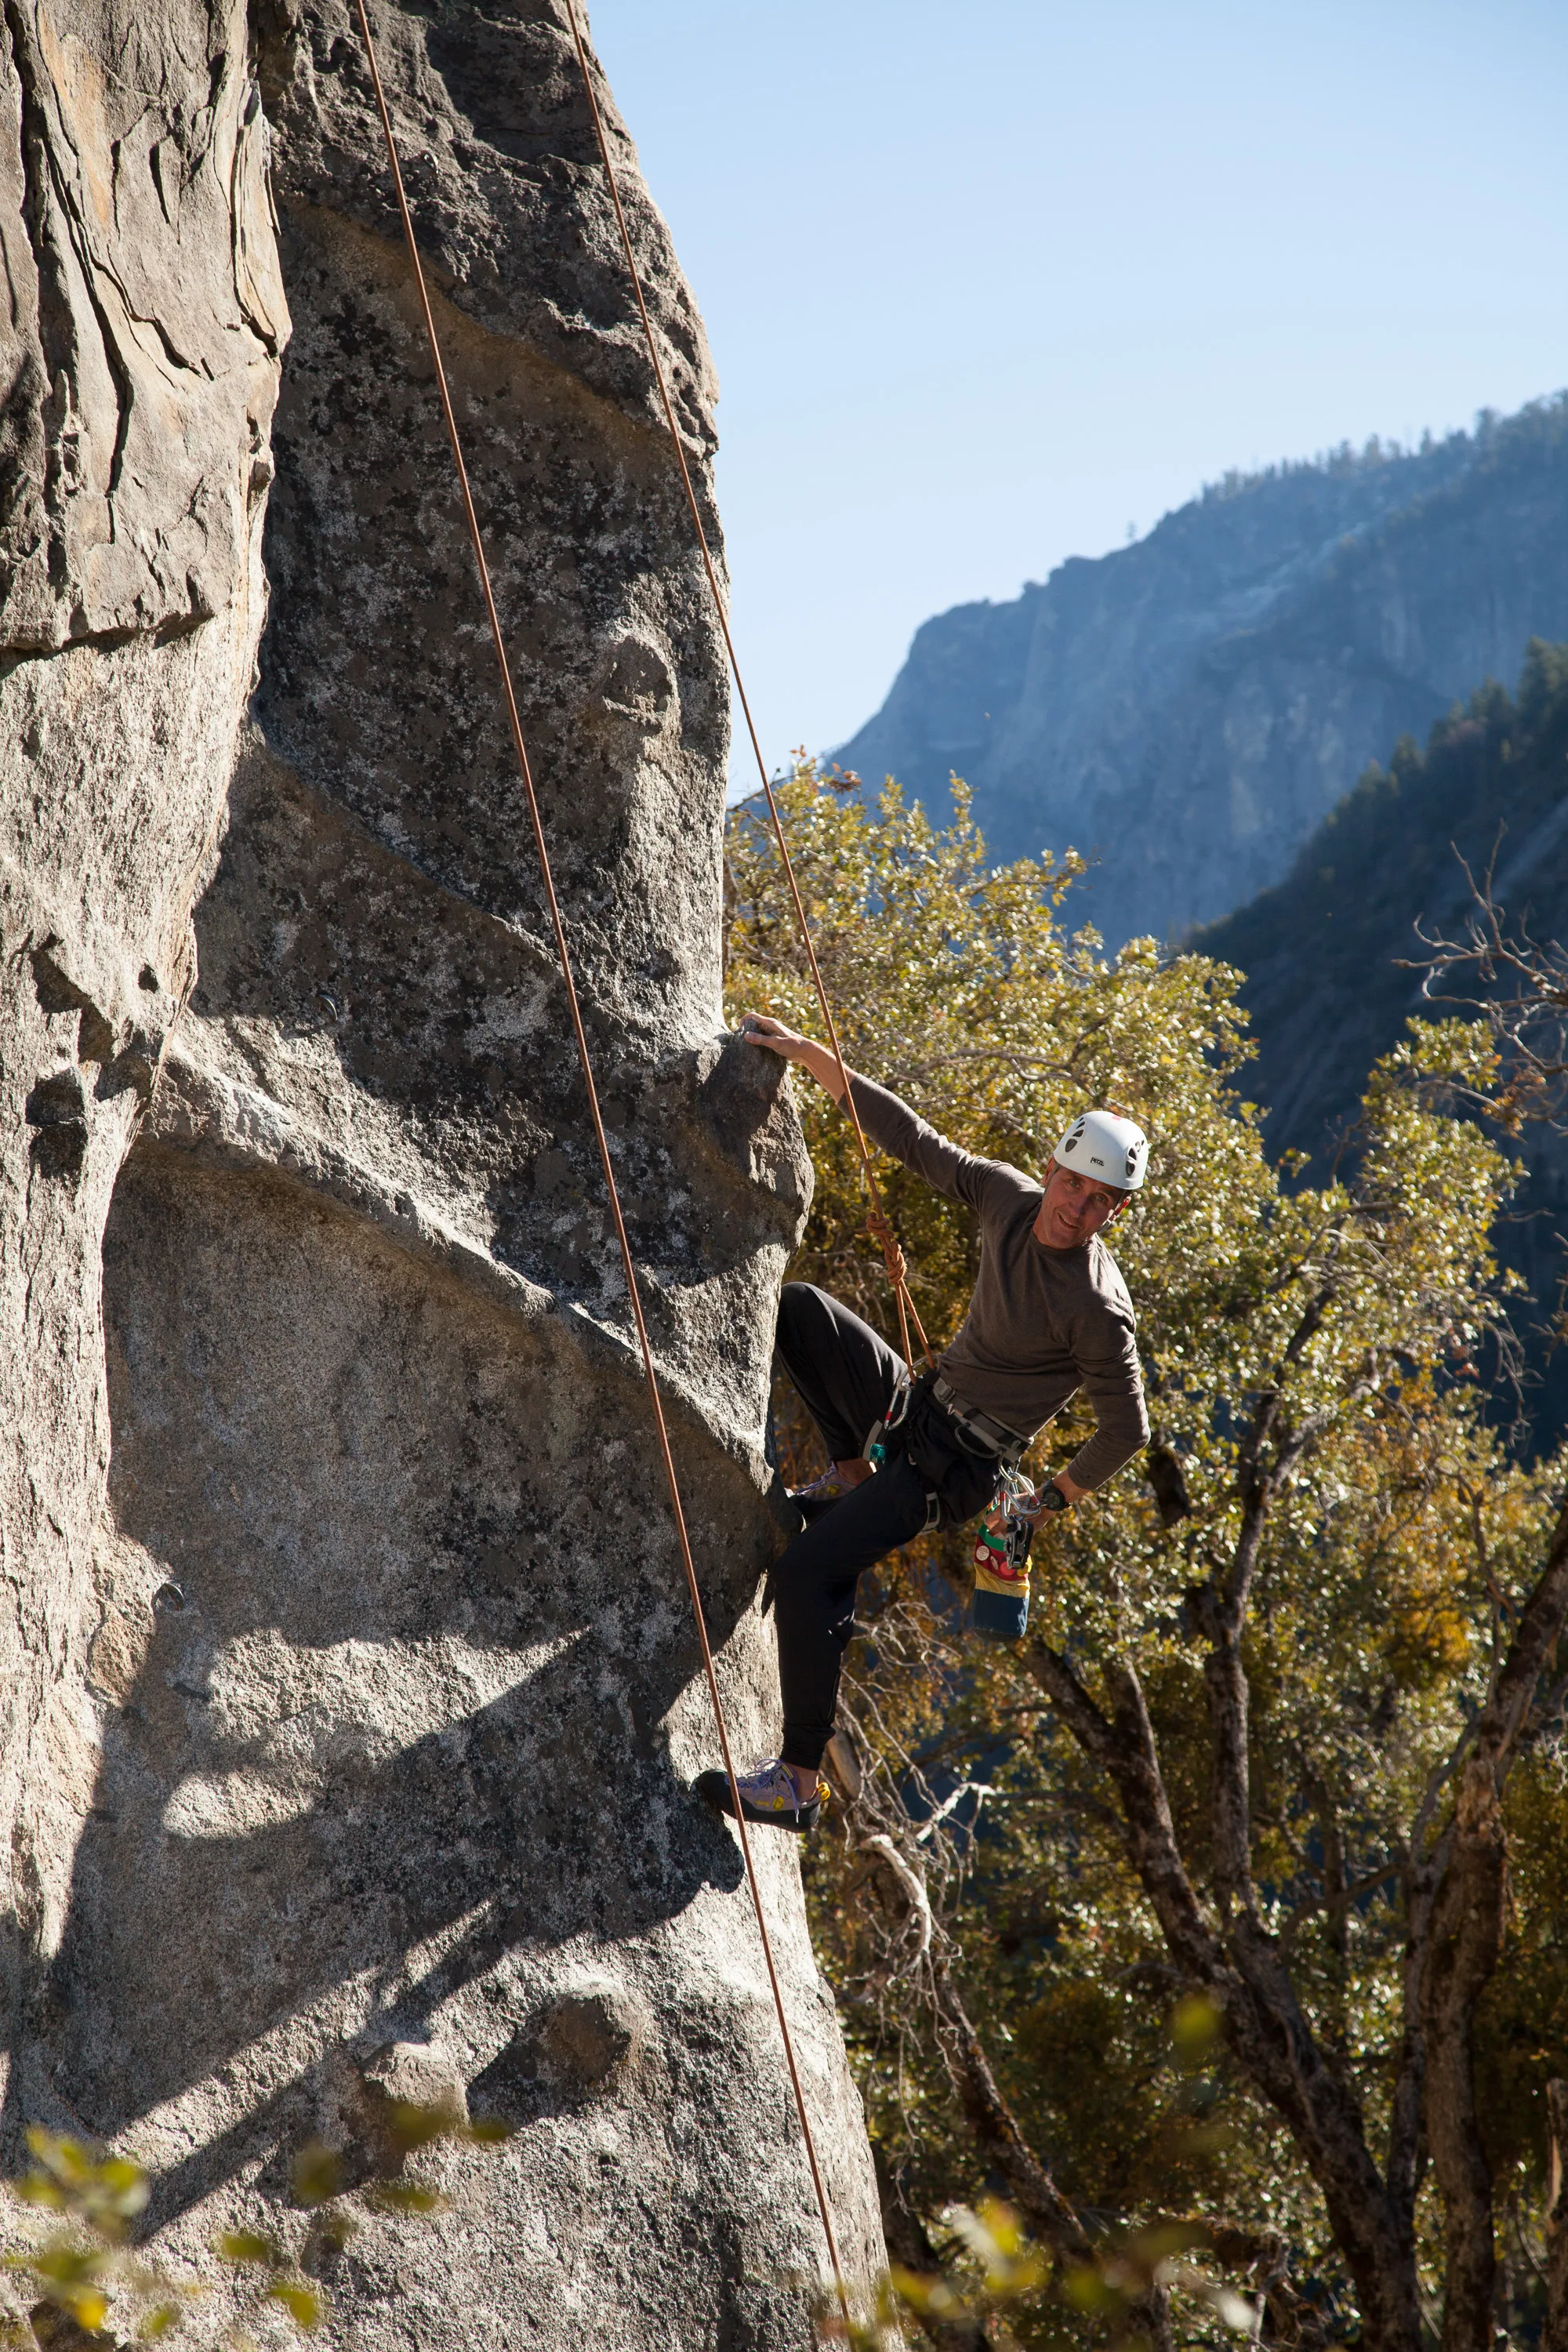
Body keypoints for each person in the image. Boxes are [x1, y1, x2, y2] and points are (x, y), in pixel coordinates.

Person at [695, 1013, 1150, 1835]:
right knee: (801, 1312)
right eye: (1071, 1185)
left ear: (1114, 1214)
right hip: (916, 1409)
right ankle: (850, 1469)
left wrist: (1042, 1504)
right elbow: (911, 1137)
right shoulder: (1010, 1199)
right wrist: (808, 1057)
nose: (1075, 1209)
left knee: (807, 1572)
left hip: (953, 1469)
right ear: (1049, 1170)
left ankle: (798, 1780)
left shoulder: (1095, 1309)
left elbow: (1127, 1430)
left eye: (1098, 1202)